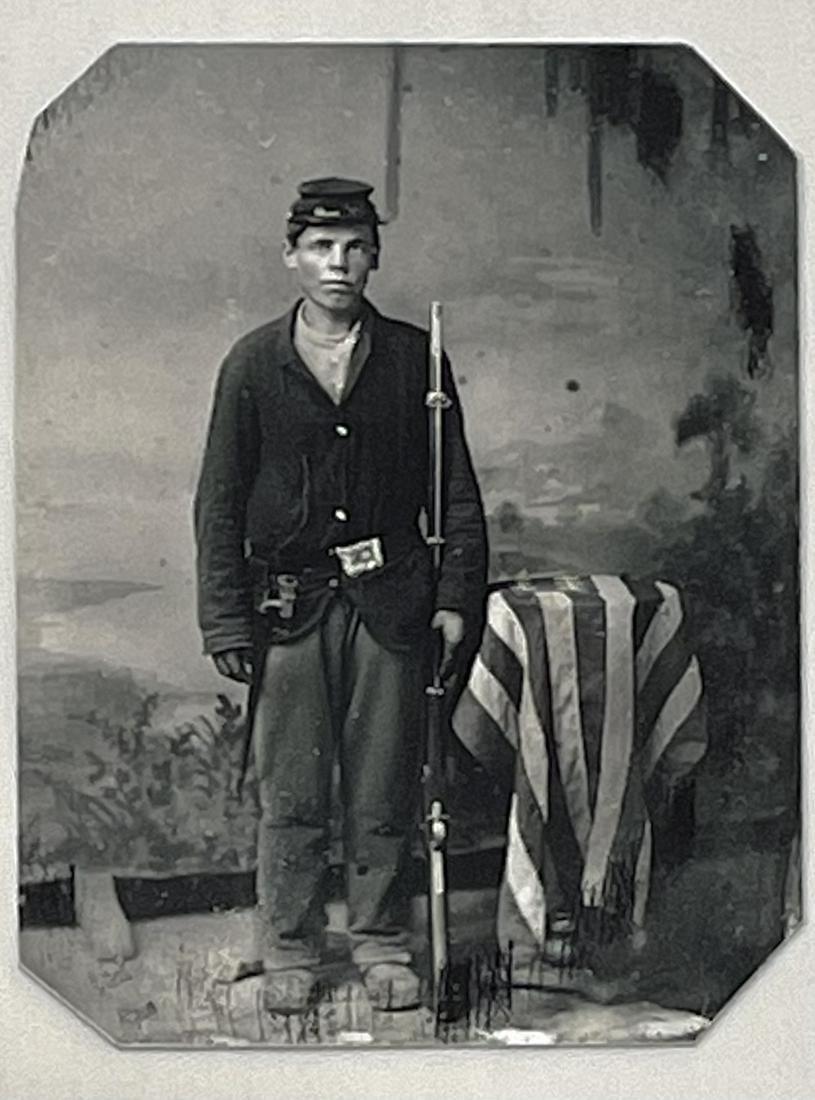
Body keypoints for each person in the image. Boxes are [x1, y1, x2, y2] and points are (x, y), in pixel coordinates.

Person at [193, 177, 487, 1013]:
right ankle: (288, 948)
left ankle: (380, 942)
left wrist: (454, 594)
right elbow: (217, 497)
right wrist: (223, 614)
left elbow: (454, 491)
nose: (339, 263)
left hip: (391, 603)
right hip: (289, 608)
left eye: (355, 246)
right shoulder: (253, 362)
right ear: (292, 255)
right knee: (290, 792)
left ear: (374, 257)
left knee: (383, 783)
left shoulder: (413, 359)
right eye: (321, 247)